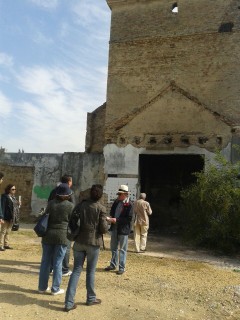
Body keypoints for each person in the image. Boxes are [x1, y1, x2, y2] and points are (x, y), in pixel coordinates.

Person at [64, 184, 108, 312]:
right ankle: (91, 298)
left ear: (90, 193)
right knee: (90, 272)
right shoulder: (101, 208)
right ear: (100, 195)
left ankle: (68, 302)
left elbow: (73, 220)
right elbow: (103, 229)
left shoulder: (81, 205)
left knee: (76, 271)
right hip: (93, 243)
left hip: (79, 241)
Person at [38, 183, 74, 295]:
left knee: (45, 261)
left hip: (48, 235)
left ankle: (42, 287)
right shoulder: (70, 206)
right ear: (67, 195)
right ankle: (55, 288)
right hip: (62, 236)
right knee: (58, 262)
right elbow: (72, 222)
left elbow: (45, 216)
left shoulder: (51, 203)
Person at [48, 174, 75, 276]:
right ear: (69, 182)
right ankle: (64, 269)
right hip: (65, 226)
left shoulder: (53, 191)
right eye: (71, 181)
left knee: (52, 249)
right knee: (66, 248)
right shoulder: (69, 193)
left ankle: (51, 268)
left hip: (51, 226)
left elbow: (48, 205)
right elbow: (74, 210)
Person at [104, 184, 133, 275]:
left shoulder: (130, 204)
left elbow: (129, 219)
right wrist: (111, 218)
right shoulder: (116, 202)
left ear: (125, 194)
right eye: (118, 194)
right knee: (113, 248)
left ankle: (121, 267)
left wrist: (116, 220)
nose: (118, 196)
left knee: (123, 249)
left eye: (120, 194)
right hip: (115, 228)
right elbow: (112, 212)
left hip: (123, 230)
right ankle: (113, 264)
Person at [0, 184, 20, 251]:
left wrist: (18, 204)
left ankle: (6, 244)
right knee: (3, 231)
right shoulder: (4, 197)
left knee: (8, 231)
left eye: (15, 189)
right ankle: (0, 245)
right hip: (5, 216)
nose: (14, 190)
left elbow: (14, 207)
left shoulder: (13, 197)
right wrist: (1, 217)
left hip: (12, 217)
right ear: (9, 189)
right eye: (13, 189)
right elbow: (2, 207)